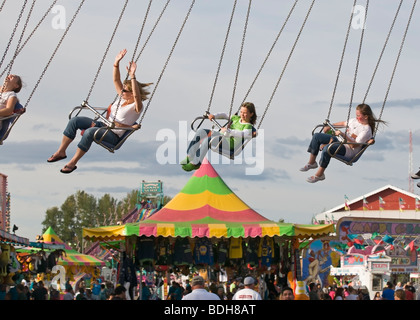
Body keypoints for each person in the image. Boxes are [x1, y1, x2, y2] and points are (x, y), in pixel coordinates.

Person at [47, 49, 151, 173]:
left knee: (90, 132)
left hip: (113, 135)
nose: (122, 92)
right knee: (75, 120)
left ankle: (73, 162)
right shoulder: (121, 98)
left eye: (125, 91)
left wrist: (133, 76)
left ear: (132, 93)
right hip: (103, 125)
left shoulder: (136, 106)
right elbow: (116, 80)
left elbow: (137, 97)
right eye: (122, 90)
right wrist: (116, 63)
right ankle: (61, 151)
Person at [300, 103, 384, 183]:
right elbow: (343, 123)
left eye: (358, 116)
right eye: (356, 115)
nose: (357, 117)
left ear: (366, 116)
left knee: (328, 149)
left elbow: (353, 145)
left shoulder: (366, 130)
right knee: (317, 136)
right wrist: (330, 126)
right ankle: (312, 163)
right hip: (340, 141)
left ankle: (320, 175)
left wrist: (343, 134)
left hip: (349, 150)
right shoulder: (354, 121)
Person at [181, 102, 257, 171]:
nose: (242, 115)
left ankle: (196, 163)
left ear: (251, 114)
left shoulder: (248, 126)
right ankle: (190, 155)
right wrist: (214, 116)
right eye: (241, 112)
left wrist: (229, 132)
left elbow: (243, 134)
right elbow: (224, 115)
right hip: (222, 136)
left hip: (229, 143)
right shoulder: (236, 118)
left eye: (245, 113)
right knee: (201, 131)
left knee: (207, 141)